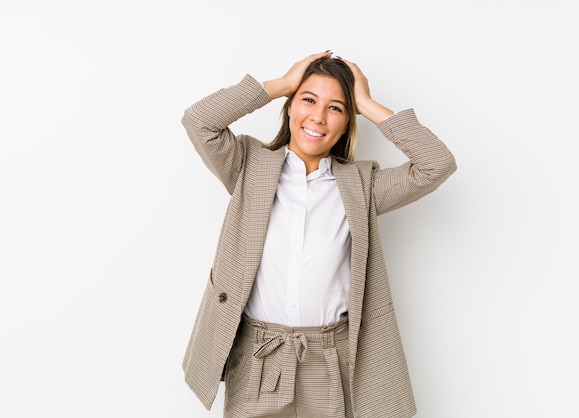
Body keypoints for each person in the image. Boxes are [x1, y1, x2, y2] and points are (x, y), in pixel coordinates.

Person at [181, 51, 456, 418]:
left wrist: (367, 103)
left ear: (346, 124)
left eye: (336, 108)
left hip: (330, 359)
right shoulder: (249, 166)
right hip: (258, 358)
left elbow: (436, 163)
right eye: (308, 100)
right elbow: (199, 121)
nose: (319, 116)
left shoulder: (362, 186)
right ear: (290, 107)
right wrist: (280, 85)